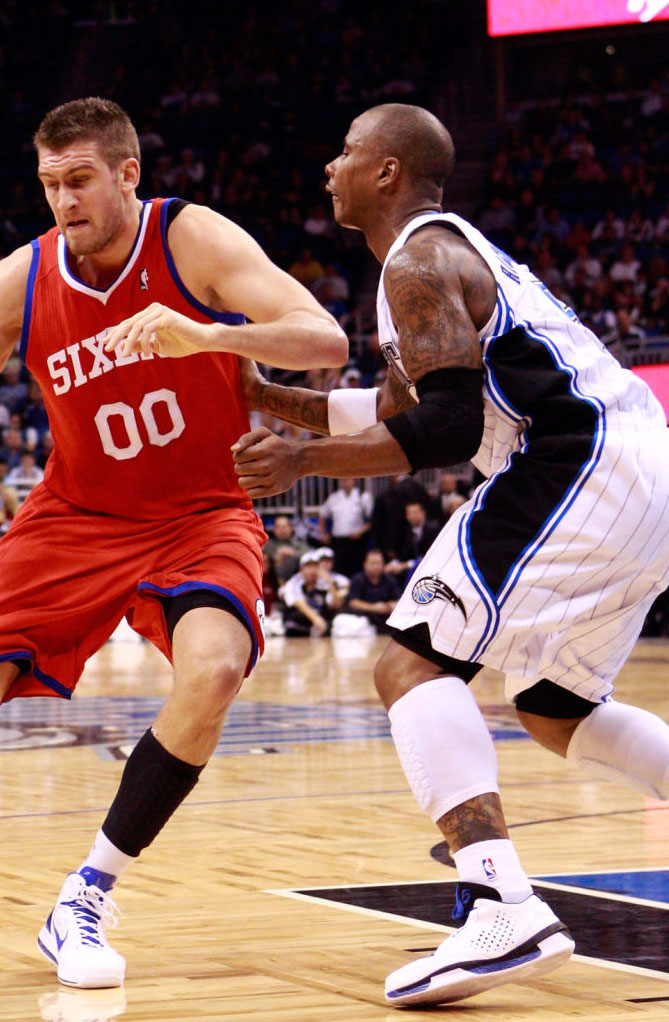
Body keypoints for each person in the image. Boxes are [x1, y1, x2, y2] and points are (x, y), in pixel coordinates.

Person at [233, 103, 669, 1007]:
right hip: (634, 463)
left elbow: (446, 428)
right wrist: (270, 398)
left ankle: (498, 903)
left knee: (406, 665)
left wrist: (302, 459)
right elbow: (405, 403)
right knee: (553, 707)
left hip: (572, 461)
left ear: (387, 172)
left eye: (345, 152)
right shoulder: (442, 256)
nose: (329, 168)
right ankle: (499, 900)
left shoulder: (418, 261)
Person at [0, 97, 347, 989]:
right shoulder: (26, 278)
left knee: (214, 670)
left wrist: (202, 332)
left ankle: (85, 893)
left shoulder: (191, 241)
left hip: (202, 512)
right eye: (48, 185)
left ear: (127, 173)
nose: (63, 201)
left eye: (79, 180)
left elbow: (323, 337)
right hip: (76, 515)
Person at [318, 476, 372, 577]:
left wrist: (361, 532)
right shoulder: (333, 498)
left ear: (353, 479)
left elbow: (372, 520)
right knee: (338, 570)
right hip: (338, 541)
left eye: (347, 479)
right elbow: (322, 515)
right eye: (342, 479)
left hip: (356, 540)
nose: (344, 482)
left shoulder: (362, 496)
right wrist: (323, 533)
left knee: (357, 570)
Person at [279, 550, 337, 636]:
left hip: (321, 625)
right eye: (309, 567)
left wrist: (330, 583)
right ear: (302, 569)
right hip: (298, 626)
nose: (312, 570)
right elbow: (298, 602)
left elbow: (335, 604)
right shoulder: (293, 583)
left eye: (315, 566)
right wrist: (316, 619)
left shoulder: (324, 583)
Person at [345, 548, 400, 633]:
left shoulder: (390, 580)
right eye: (372, 563)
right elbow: (353, 602)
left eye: (378, 563)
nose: (376, 567)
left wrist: (388, 606)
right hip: (362, 619)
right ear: (365, 564)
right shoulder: (358, 579)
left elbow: (397, 601)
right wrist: (373, 607)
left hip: (385, 620)